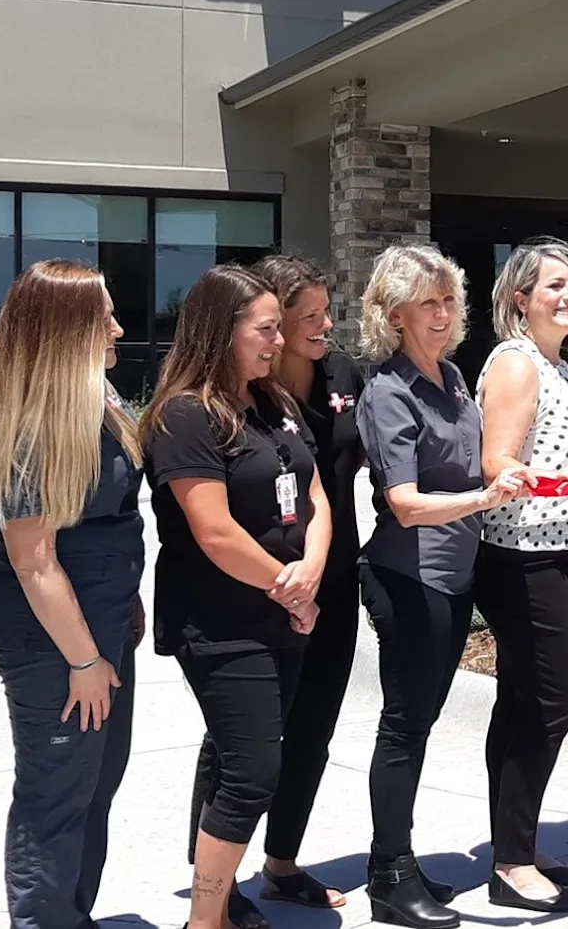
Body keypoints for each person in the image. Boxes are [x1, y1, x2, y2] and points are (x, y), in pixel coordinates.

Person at [141, 264, 332, 929]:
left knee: (232, 757)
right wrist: (292, 588)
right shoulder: (185, 416)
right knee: (253, 772)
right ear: (222, 332)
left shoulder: (272, 403)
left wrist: (310, 570)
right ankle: (205, 919)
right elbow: (215, 533)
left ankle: (223, 907)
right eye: (267, 329)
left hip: (283, 613)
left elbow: (315, 493)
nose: (279, 341)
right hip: (221, 623)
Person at [0, 260, 147, 929]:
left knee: (94, 785)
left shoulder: (95, 396)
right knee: (57, 795)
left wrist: (122, 605)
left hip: (95, 629)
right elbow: (33, 557)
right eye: (104, 317)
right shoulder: (36, 420)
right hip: (55, 644)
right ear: (67, 329)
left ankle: (71, 915)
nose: (118, 328)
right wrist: (81, 659)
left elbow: (105, 518)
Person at [352, 244, 527, 928]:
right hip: (408, 576)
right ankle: (389, 876)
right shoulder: (389, 391)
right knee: (403, 727)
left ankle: (400, 859)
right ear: (392, 313)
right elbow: (404, 502)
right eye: (428, 302)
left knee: (417, 727)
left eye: (449, 299)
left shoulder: (453, 378)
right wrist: (485, 498)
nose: (444, 313)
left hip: (454, 578)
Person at [184, 255, 366, 911]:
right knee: (239, 745)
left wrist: (318, 572)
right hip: (257, 593)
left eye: (327, 312)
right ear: (272, 324)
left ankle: (282, 863)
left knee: (312, 728)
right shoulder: (238, 400)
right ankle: (217, 884)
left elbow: (349, 474)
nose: (326, 326)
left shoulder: (343, 378)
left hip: (332, 584)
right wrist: (289, 583)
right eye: (309, 316)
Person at [472, 238, 568, 915]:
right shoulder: (517, 364)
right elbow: (495, 465)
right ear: (519, 300)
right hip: (524, 555)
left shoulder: (560, 369)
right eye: (553, 285)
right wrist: (564, 481)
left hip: (559, 553)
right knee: (553, 704)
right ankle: (513, 862)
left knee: (525, 703)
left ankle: (518, 845)